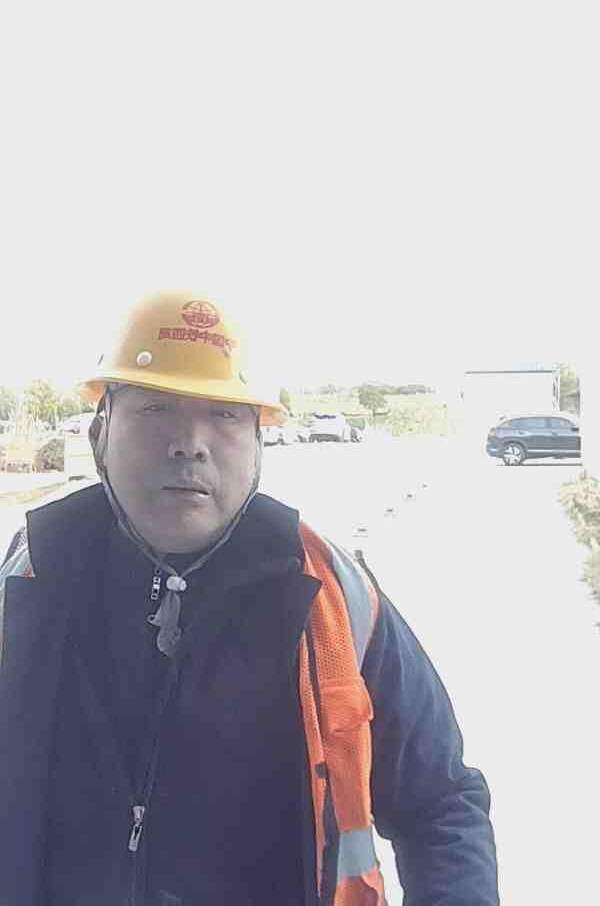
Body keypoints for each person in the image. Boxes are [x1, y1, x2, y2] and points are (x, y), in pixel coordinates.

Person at [0, 290, 499, 906]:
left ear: (260, 444)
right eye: (155, 408)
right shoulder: (29, 582)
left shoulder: (328, 596)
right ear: (100, 431)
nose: (189, 443)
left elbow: (441, 803)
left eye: (225, 416)